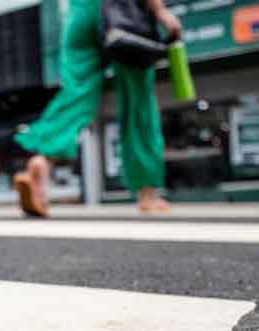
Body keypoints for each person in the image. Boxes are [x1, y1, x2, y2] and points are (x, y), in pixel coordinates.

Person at [13, 0, 182, 217]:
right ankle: (147, 195)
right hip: (124, 13)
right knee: (138, 104)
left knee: (76, 95)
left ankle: (43, 161)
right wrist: (160, 11)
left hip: (81, 12)